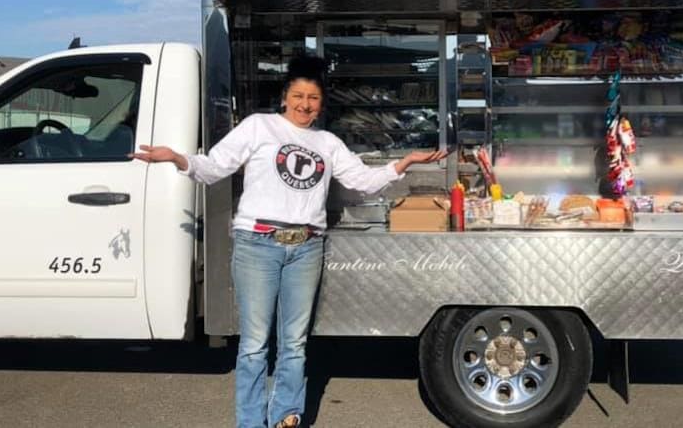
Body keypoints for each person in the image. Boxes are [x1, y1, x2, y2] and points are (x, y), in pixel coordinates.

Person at [132, 56, 447, 428]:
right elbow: (216, 165)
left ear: (321, 104)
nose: (305, 104)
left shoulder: (327, 143)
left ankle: (285, 415)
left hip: (307, 247)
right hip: (257, 244)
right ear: (284, 98)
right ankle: (250, 422)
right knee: (253, 346)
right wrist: (179, 160)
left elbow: (362, 181)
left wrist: (405, 162)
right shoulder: (259, 126)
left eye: (313, 98)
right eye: (298, 95)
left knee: (294, 344)